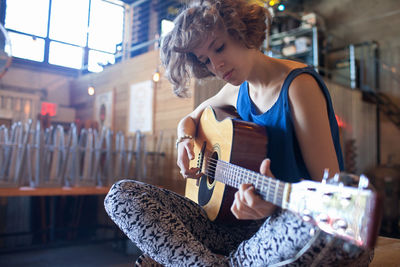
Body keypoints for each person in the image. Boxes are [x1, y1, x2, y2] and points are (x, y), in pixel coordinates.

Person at [105, 0, 373, 266]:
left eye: (219, 48)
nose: (217, 65)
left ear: (242, 29)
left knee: (308, 231)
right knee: (121, 196)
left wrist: (273, 209)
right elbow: (191, 118)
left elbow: (330, 199)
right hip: (237, 228)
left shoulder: (298, 87)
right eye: (205, 61)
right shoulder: (236, 91)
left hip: (293, 227)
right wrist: (184, 140)